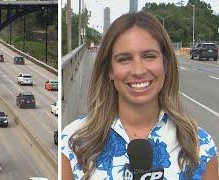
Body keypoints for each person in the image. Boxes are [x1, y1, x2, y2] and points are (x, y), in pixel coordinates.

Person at [61, 11, 218, 180]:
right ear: (109, 70)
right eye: (124, 59)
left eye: (149, 56)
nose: (138, 70)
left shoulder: (199, 147)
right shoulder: (74, 143)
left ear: (165, 64)